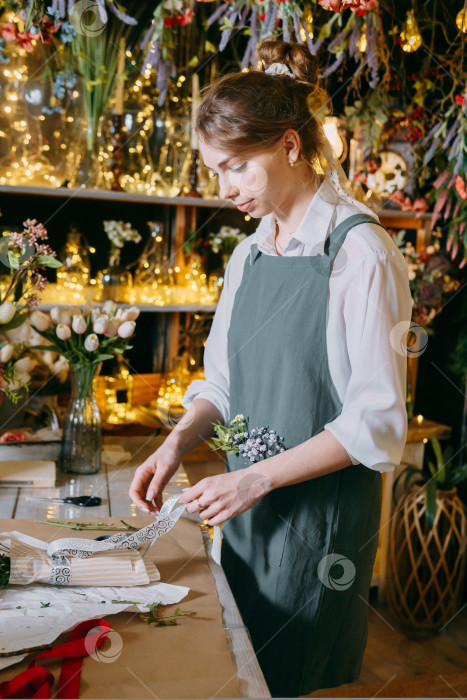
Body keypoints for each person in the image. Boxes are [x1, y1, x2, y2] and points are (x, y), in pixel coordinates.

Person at [129, 39, 413, 697]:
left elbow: (374, 421)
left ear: (289, 146)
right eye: (214, 171)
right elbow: (222, 381)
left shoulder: (359, 252)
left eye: (236, 168)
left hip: (317, 526)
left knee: (294, 676)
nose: (224, 190)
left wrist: (253, 479)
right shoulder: (249, 254)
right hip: (248, 512)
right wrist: (178, 440)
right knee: (242, 669)